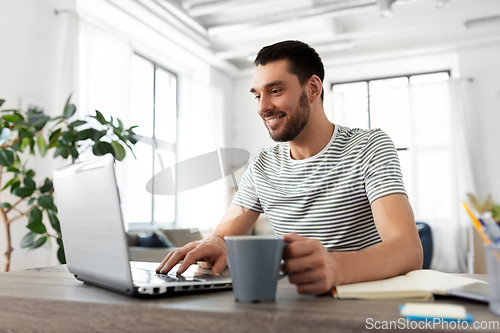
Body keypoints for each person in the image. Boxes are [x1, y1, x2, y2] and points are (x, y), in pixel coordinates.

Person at [156, 40, 423, 295]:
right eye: (257, 95)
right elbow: (223, 237)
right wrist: (214, 243)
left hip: (362, 306)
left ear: (313, 89)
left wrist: (335, 267)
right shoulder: (263, 165)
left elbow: (408, 250)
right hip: (295, 302)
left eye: (275, 91)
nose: (262, 107)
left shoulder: (369, 146)